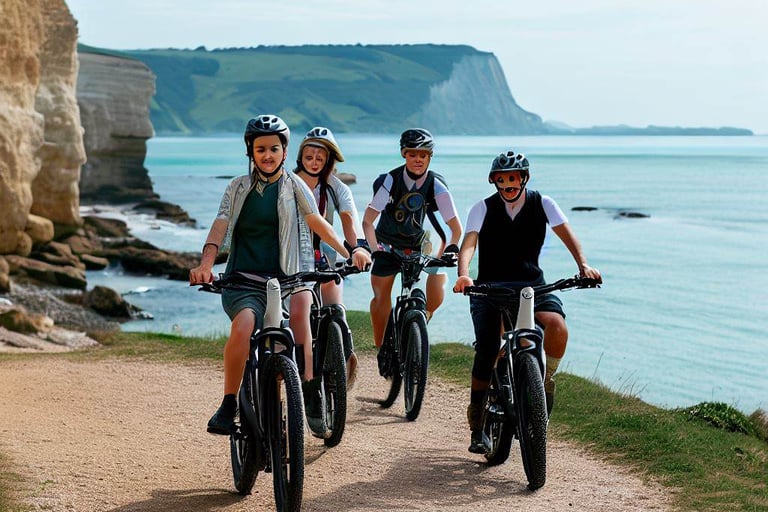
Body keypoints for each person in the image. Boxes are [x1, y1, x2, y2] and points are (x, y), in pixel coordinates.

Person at [189, 114, 350, 435]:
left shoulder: (295, 185)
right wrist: (206, 265)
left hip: (288, 279)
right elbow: (220, 226)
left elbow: (317, 222)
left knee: (298, 322)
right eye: (260, 149)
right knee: (244, 325)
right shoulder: (237, 187)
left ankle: (307, 391)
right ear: (250, 151)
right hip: (243, 281)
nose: (267, 155)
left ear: (285, 152)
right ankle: (229, 403)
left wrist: (350, 251)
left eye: (274, 149)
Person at [452, 149, 602, 454]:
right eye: (502, 179)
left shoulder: (543, 203)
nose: (508, 184)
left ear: (524, 179)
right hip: (490, 288)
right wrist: (464, 274)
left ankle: (543, 381)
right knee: (488, 349)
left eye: (513, 178)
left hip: (532, 285)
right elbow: (469, 243)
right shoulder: (482, 208)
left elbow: (567, 234)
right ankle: (477, 424)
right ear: (494, 181)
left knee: (556, 325)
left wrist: (583, 265)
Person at [362, 128, 462, 357]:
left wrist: (453, 248)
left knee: (436, 284)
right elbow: (368, 221)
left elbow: (455, 228)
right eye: (412, 154)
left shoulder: (436, 184)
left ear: (430, 157)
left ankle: (419, 322)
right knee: (381, 296)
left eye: (423, 155)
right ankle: (381, 348)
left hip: (421, 243)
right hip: (386, 242)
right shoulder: (390, 180)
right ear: (404, 154)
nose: (418, 159)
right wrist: (374, 249)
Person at [293, 126, 372, 388]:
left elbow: (349, 218)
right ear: (300, 157)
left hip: (325, 257)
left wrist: (359, 247)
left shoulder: (336, 187)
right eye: (309, 156)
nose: (314, 162)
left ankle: (345, 356)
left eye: (320, 157)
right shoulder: (288, 183)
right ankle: (291, 373)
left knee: (335, 309)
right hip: (291, 259)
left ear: (330, 160)